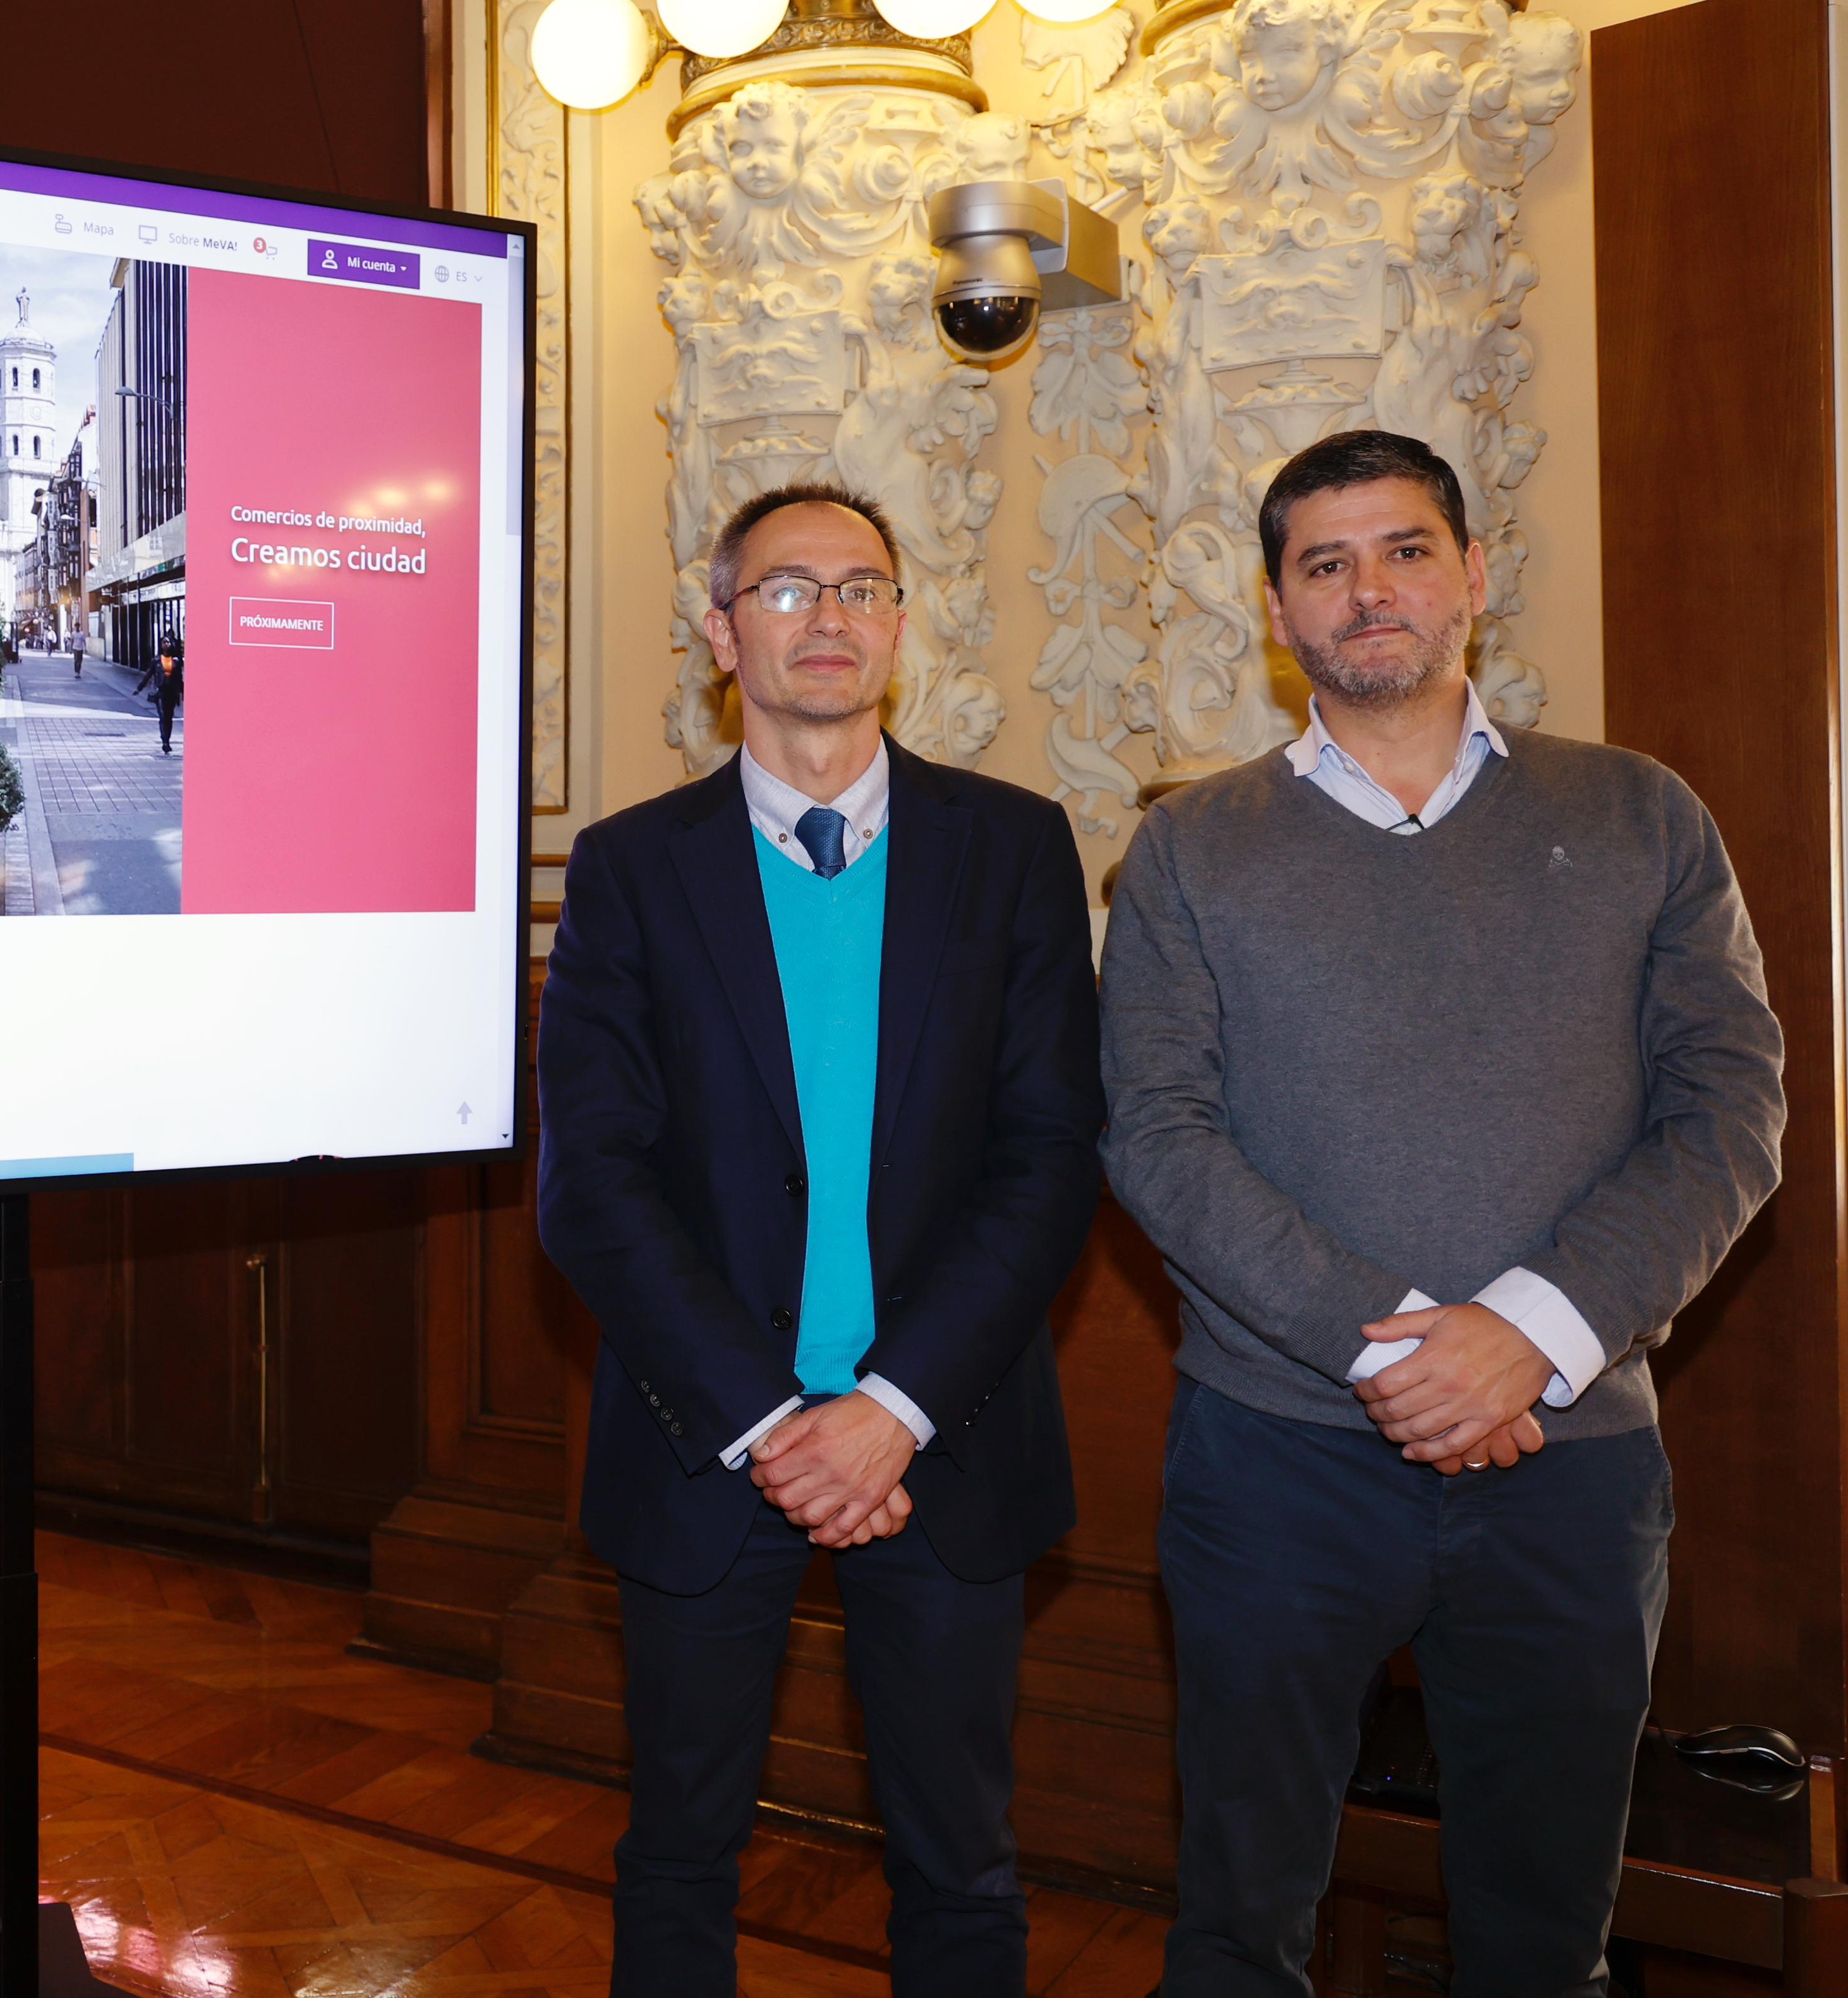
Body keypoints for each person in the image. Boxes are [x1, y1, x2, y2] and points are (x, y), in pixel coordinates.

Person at [1102, 428, 1785, 1994]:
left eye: (1405, 549)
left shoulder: (1640, 813)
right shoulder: (1190, 847)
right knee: (1236, 1924)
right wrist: (1405, 1348)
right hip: (1275, 1457)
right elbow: (1154, 1135)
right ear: (1277, 607)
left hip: (1571, 1455)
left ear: (1473, 572)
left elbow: (1728, 1111)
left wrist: (1525, 1334)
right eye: (1324, 564)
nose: (1369, 590)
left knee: (1544, 1936)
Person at [538, 481, 1102, 1995]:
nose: (829, 616)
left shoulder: (1012, 847)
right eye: (787, 589)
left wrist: (889, 1408)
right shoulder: (630, 867)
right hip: (708, 1439)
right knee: (678, 1852)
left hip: (944, 1437)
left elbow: (1050, 1159)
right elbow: (591, 1182)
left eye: (861, 587)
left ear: (900, 628)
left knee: (962, 1864)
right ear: (722, 633)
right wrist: (773, 1422)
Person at [134, 635, 183, 753]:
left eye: (168, 642)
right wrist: (139, 688)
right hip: (161, 692)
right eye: (164, 642)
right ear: (161, 645)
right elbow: (148, 675)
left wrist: (184, 692)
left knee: (169, 718)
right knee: (163, 717)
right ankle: (165, 742)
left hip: (172, 693)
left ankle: (167, 739)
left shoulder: (176, 661)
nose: (167, 644)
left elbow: (179, 679)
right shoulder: (156, 661)